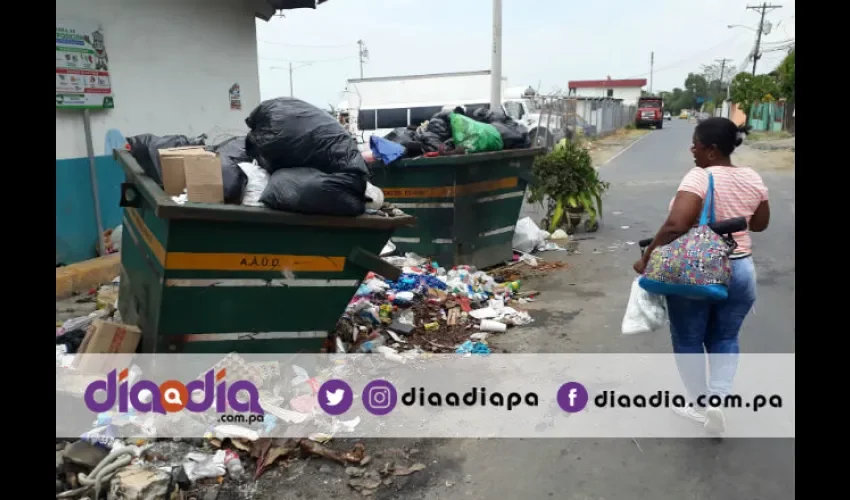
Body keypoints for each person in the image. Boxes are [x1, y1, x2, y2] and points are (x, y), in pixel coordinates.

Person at [633, 117, 770, 433]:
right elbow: (759, 223)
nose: (691, 150)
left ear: (711, 151)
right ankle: (718, 400)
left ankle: (698, 406)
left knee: (688, 338)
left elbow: (676, 225)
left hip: (696, 271)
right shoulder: (752, 177)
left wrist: (648, 256)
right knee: (725, 336)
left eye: (695, 144)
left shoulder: (699, 177)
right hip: (741, 270)